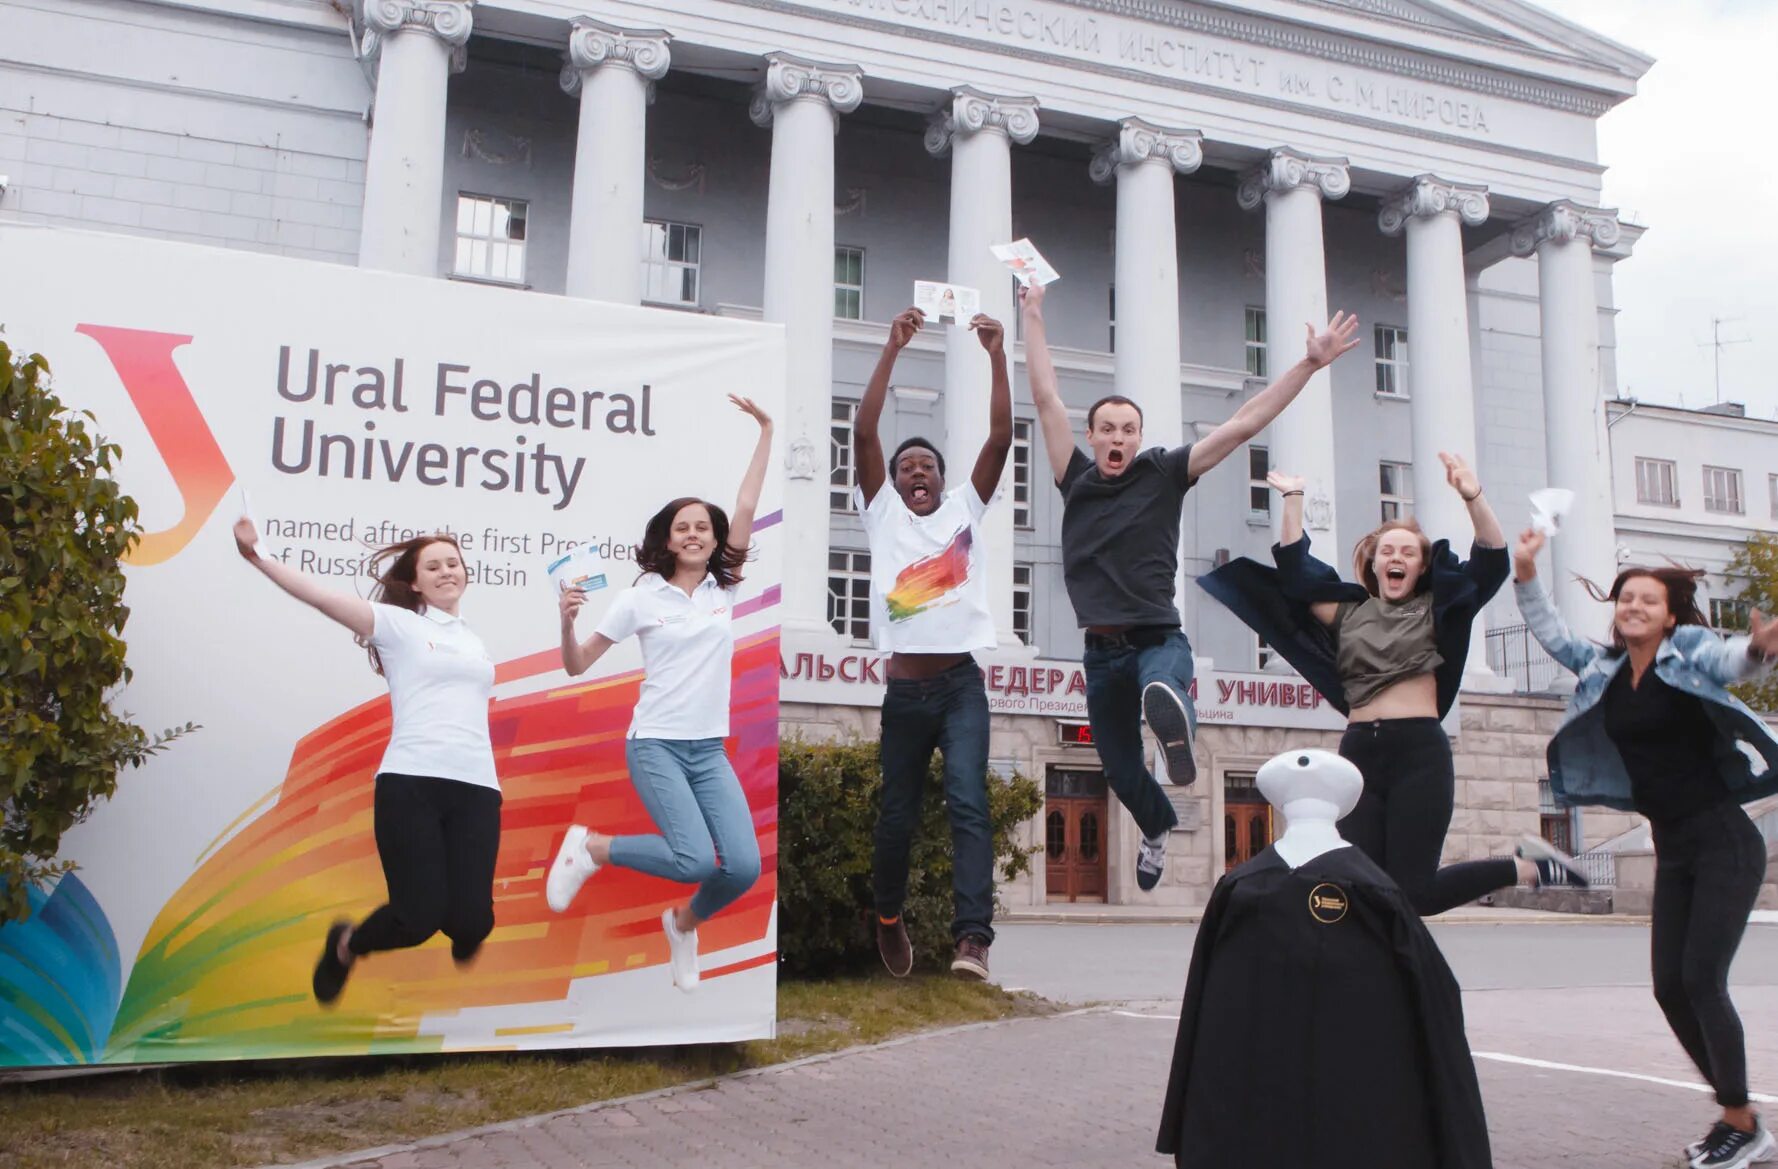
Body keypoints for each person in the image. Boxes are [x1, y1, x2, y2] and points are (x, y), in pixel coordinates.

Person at [1021, 278, 1360, 891]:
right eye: (1107, 429)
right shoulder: (1074, 478)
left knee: (1160, 680)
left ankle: (1176, 721)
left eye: (1128, 429)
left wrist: (1309, 365)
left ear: (1138, 437)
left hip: (1156, 636)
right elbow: (1045, 397)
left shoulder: (1165, 472)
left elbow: (1241, 424)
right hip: (1099, 653)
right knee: (1121, 772)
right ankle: (1157, 827)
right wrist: (1034, 312)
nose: (1118, 438)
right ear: (1092, 436)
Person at [1199, 454, 1585, 916]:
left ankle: (1527, 868)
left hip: (1419, 751)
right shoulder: (1348, 612)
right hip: (1360, 750)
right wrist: (1294, 499)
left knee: (1415, 893)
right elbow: (1297, 575)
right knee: (1364, 884)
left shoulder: (1439, 609)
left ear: (1421, 567)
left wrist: (1473, 496)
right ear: (1375, 563)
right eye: (1388, 551)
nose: (1396, 557)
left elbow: (1490, 560)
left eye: (1408, 552)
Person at [1514, 527, 1778, 1169]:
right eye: (1625, 598)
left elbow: (1728, 662)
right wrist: (1524, 574)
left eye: (1648, 601)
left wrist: (1758, 651)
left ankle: (1739, 1122)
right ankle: (1737, 1117)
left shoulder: (1687, 651)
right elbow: (1551, 634)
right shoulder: (1601, 668)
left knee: (1701, 980)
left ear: (1669, 614)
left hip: (1723, 839)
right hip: (1676, 845)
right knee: (1668, 985)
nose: (1633, 607)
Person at [544, 395, 772, 993]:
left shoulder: (726, 589)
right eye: (683, 527)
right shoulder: (641, 596)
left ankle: (683, 922)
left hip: (708, 750)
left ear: (714, 537)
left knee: (742, 867)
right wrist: (566, 623)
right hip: (657, 746)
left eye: (703, 526)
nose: (694, 534)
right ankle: (592, 849)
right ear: (668, 540)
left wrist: (767, 430)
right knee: (693, 858)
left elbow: (747, 502)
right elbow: (576, 665)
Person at [233, 522, 501, 1006]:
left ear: (466, 573)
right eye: (433, 566)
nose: (446, 572)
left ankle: (466, 924)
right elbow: (320, 596)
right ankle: (347, 945)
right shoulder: (399, 626)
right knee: (418, 918)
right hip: (411, 783)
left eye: (453, 563)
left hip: (477, 787)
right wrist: (260, 558)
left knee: (474, 922)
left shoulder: (475, 640)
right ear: (415, 582)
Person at [852, 305, 1009, 981]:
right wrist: (890, 348)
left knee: (970, 801)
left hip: (961, 686)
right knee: (898, 817)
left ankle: (972, 939)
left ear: (942, 481)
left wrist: (997, 355)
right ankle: (888, 916)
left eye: (928, 466)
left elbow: (1002, 436)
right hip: (906, 692)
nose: (917, 472)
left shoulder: (962, 509)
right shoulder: (881, 510)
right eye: (907, 465)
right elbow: (863, 430)